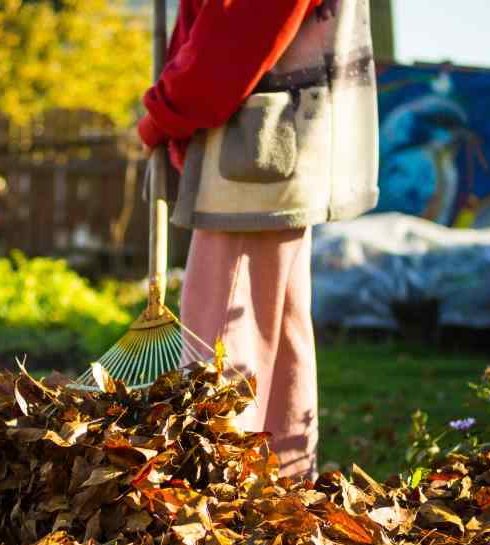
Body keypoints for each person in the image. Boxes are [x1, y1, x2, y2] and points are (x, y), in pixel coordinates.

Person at [137, 0, 380, 480]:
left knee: (226, 330)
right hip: (283, 141)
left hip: (255, 145)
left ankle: (213, 496)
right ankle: (281, 487)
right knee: (275, 322)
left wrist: (165, 113)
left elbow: (234, 35)